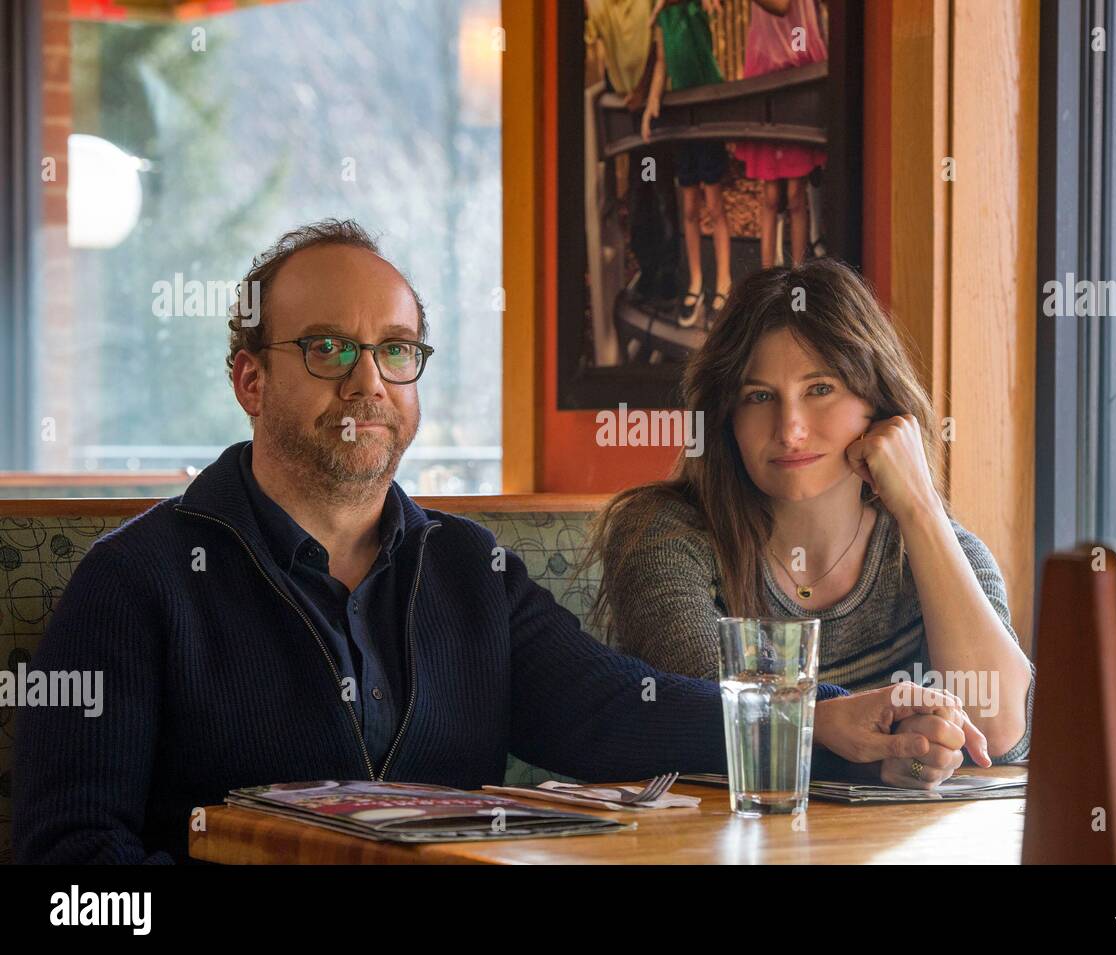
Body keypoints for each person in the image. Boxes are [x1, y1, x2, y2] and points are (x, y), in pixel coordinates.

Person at [13, 221, 987, 863]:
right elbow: (68, 863)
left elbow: (613, 708)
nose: (368, 383)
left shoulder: (468, 569)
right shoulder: (136, 584)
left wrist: (819, 721)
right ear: (249, 380)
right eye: (327, 348)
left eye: (395, 350)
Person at [587, 257, 1034, 788]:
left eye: (820, 388)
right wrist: (876, 751)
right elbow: (717, 713)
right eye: (759, 397)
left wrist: (919, 506)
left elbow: (999, 733)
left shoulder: (940, 547)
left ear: (879, 404)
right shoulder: (660, 534)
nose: (790, 429)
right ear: (728, 420)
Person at [642, 0, 733, 328]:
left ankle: (724, 280)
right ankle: (695, 280)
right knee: (690, 206)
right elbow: (663, 63)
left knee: (713, 202)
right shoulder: (662, 16)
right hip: (681, 114)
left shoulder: (694, 5)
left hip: (706, 109)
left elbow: (715, 7)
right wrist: (652, 100)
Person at [733, 0, 829, 267]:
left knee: (796, 192)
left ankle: (798, 277)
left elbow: (782, 5)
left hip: (796, 67)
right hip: (767, 71)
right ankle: (766, 279)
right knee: (772, 194)